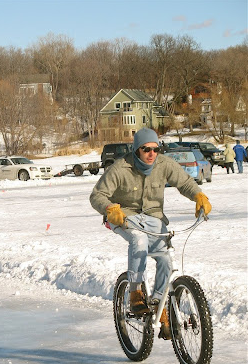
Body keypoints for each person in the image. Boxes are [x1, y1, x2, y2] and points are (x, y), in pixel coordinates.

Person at [90, 128, 212, 339]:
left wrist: (199, 196)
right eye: (146, 149)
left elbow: (184, 183)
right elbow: (97, 195)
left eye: (156, 149)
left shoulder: (164, 164)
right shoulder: (121, 167)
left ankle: (159, 304)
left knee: (165, 257)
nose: (151, 154)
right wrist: (110, 208)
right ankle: (135, 291)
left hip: (154, 219)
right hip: (124, 216)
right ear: (137, 150)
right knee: (138, 240)